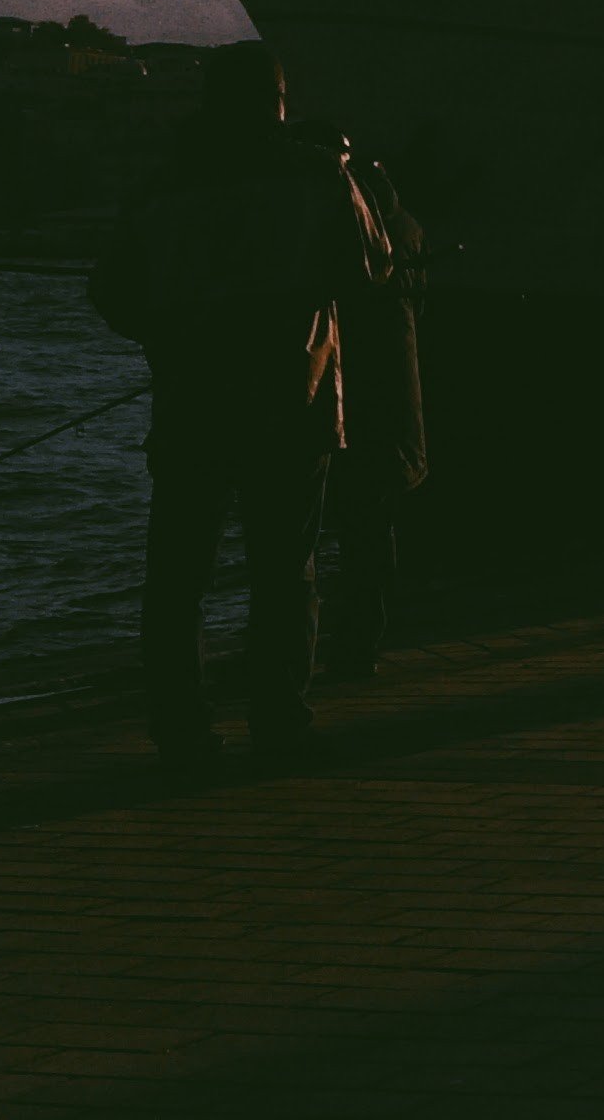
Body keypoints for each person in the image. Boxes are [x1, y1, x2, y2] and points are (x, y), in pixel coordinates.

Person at [90, 44, 386, 770]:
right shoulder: (316, 176)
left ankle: (181, 729)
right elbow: (369, 269)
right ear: (277, 103)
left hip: (191, 402)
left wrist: (171, 336)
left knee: (177, 579)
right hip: (295, 399)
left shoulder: (162, 185)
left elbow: (111, 291)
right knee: (286, 575)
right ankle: (280, 722)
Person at [320, 145, 428, 682]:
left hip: (351, 409)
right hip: (395, 414)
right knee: (372, 535)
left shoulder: (345, 236)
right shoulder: (405, 232)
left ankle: (333, 645)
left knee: (333, 534)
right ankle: (359, 644)